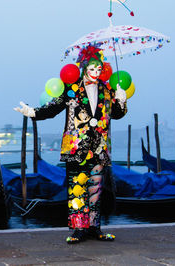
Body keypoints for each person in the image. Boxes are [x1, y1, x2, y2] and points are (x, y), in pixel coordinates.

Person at [14, 45, 127, 244]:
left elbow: (116, 114)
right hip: (76, 147)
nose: (95, 73)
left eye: (99, 69)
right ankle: (78, 229)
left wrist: (122, 100)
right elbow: (53, 108)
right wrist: (32, 112)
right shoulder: (72, 89)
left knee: (96, 189)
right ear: (84, 68)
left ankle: (94, 228)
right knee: (76, 188)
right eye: (92, 69)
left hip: (99, 148)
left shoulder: (107, 90)